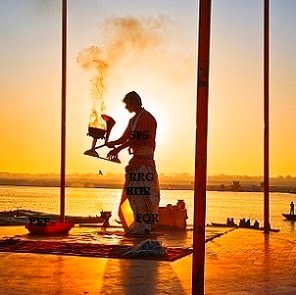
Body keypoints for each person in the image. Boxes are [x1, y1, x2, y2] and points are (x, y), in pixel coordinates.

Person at [106, 91, 160, 235]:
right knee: (134, 194)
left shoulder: (146, 118)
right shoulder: (133, 120)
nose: (125, 107)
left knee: (143, 195)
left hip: (144, 162)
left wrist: (117, 149)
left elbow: (136, 139)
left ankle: (144, 226)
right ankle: (139, 225)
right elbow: (126, 138)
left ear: (134, 102)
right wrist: (113, 144)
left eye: (127, 104)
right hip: (137, 161)